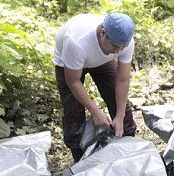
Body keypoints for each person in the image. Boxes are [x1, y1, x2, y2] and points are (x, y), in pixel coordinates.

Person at [53, 12, 138, 161]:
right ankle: (79, 157)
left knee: (118, 101)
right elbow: (73, 81)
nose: (118, 51)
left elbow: (123, 80)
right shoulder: (77, 42)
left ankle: (128, 149)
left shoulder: (125, 42)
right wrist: (95, 112)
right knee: (74, 108)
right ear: (102, 33)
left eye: (122, 47)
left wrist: (120, 116)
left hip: (102, 60)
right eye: (115, 46)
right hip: (69, 63)